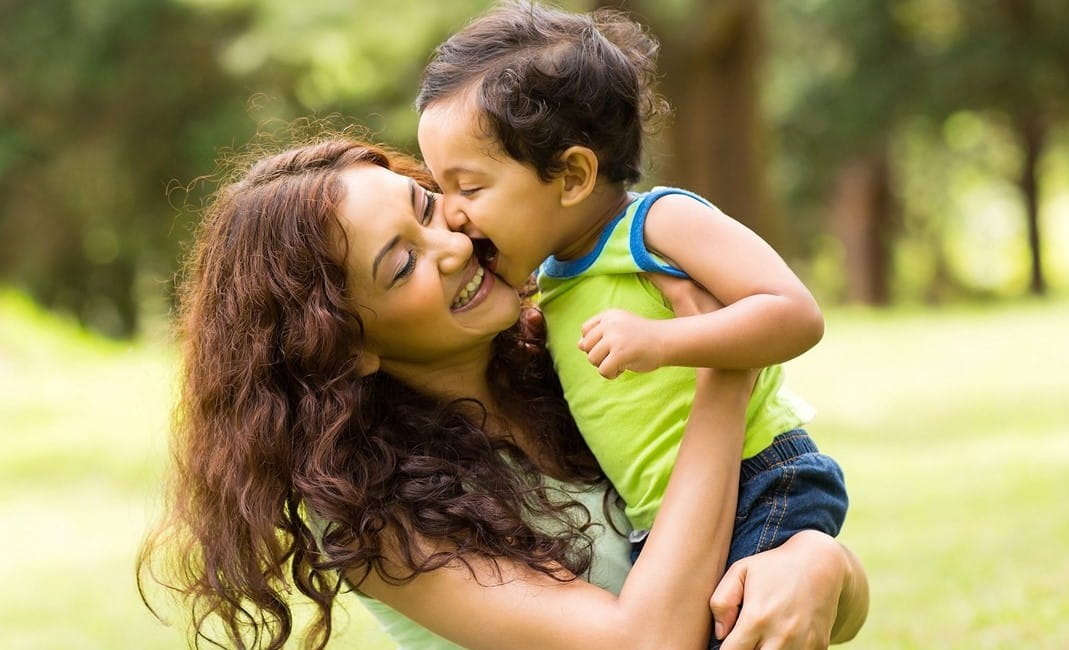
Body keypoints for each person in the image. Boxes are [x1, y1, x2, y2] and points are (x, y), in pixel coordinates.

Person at [137, 137, 868, 650]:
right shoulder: (374, 519)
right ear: (344, 345)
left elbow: (802, 580)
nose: (453, 244)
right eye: (402, 266)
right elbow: (644, 642)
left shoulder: (576, 358)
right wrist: (724, 367)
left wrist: (817, 563)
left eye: (426, 207)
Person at [415, 1, 849, 627]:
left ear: (571, 175)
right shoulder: (556, 274)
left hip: (758, 479)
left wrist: (665, 341)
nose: (452, 214)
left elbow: (794, 314)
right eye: (440, 188)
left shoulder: (657, 224)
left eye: (470, 188)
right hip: (669, 517)